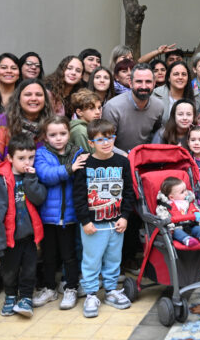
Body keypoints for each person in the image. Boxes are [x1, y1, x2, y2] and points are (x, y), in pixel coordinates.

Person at [0, 78, 54, 299]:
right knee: (5, 230)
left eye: (38, 95)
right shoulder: (2, 122)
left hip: (38, 187)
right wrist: (13, 176)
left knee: (33, 236)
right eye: (28, 94)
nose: (33, 98)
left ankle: (32, 276)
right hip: (5, 186)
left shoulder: (50, 125)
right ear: (18, 98)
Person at [73, 119, 135, 318]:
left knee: (113, 258)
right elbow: (79, 195)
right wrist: (85, 221)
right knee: (91, 260)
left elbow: (128, 193)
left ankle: (111, 291)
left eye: (110, 138)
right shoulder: (85, 164)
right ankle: (91, 294)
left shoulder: (122, 162)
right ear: (91, 143)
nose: (106, 143)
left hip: (116, 222)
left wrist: (125, 216)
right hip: (93, 224)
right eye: (100, 140)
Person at [0, 134, 47, 318]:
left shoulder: (32, 176)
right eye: (21, 158)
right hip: (9, 239)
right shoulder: (1, 181)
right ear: (10, 158)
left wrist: (30, 179)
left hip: (29, 236)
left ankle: (26, 297)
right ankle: (11, 295)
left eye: (31, 158)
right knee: (9, 271)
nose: (27, 162)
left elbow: (39, 197)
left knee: (29, 269)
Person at [32, 116, 84, 310]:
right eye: (53, 135)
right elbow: (46, 175)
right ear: (45, 137)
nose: (58, 138)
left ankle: (71, 287)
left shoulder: (77, 152)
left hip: (71, 216)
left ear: (69, 133)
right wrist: (70, 168)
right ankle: (49, 288)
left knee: (70, 254)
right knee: (49, 255)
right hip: (48, 216)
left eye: (62, 133)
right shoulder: (41, 154)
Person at [156, 177, 200, 279]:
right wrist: (171, 227)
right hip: (177, 228)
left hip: (192, 226)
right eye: (182, 192)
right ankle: (188, 240)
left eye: (186, 190)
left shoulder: (189, 203)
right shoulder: (165, 206)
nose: (186, 193)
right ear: (172, 197)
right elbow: (164, 217)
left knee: (199, 230)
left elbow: (198, 212)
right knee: (178, 232)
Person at [102, 63, 164, 153]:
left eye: (148, 82)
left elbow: (156, 134)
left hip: (146, 158)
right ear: (130, 83)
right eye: (139, 81)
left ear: (154, 84)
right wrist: (126, 157)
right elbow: (104, 141)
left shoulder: (159, 106)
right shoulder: (112, 107)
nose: (144, 86)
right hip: (118, 160)